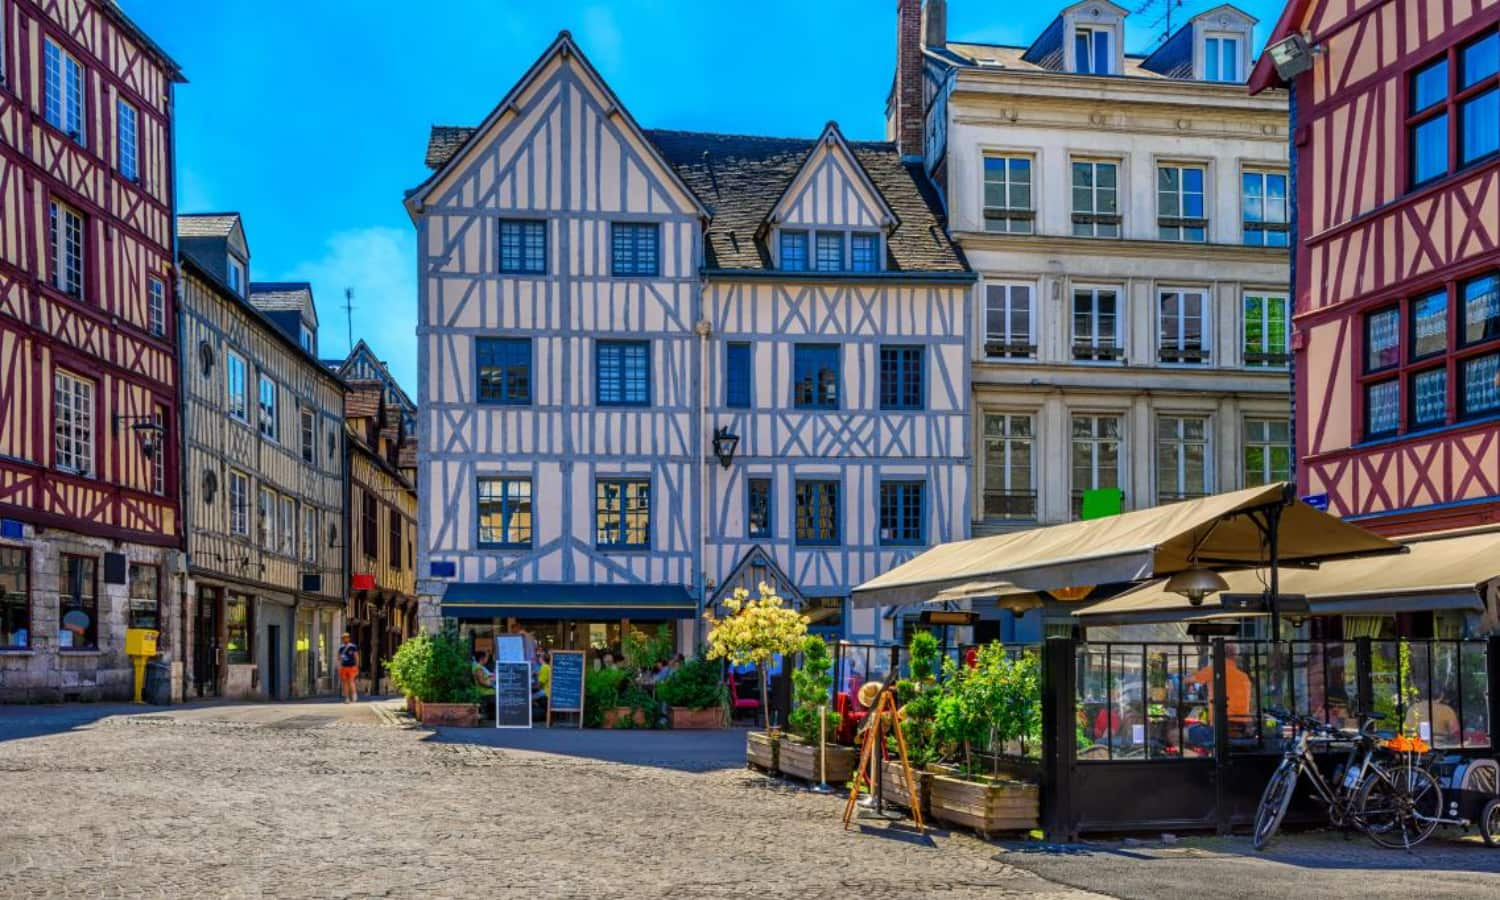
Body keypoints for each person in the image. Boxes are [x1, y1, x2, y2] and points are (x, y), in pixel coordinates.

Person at [338, 633, 360, 703]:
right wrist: (341, 658)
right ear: (342, 639)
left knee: (351, 681)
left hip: (352, 667)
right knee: (345, 683)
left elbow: (356, 657)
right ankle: (346, 698)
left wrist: (356, 666)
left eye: (346, 638)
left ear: (349, 638)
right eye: (344, 638)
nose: (345, 639)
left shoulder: (353, 647)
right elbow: (338, 658)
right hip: (344, 667)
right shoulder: (341, 648)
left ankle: (354, 696)